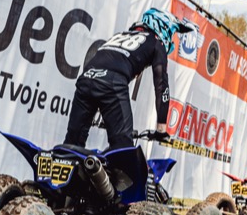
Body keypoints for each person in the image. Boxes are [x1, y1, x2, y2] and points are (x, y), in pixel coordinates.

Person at [62, 8, 193, 150]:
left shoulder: (120, 35)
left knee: (71, 145)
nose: (171, 39)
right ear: (163, 27)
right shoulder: (157, 42)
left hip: (86, 79)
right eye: (172, 33)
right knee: (124, 150)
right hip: (112, 83)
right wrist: (161, 129)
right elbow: (162, 85)